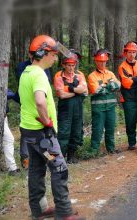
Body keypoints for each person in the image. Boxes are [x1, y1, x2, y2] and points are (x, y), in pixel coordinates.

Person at [18, 35, 84, 219]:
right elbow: (40, 101)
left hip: (29, 134)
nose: (55, 58)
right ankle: (64, 212)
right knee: (59, 168)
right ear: (42, 53)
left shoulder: (26, 72)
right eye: (53, 54)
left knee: (37, 170)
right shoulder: (39, 74)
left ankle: (38, 210)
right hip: (43, 136)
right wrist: (47, 123)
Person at [15, 53, 52, 169]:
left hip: (42, 112)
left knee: (41, 140)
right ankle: (27, 159)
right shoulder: (23, 68)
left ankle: (46, 160)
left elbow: (47, 85)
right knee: (31, 139)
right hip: (31, 112)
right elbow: (26, 87)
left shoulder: (44, 69)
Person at [53, 51, 87, 164]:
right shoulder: (59, 77)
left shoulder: (79, 75)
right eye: (68, 65)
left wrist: (70, 89)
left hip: (77, 108)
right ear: (64, 65)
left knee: (76, 131)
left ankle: (72, 156)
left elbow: (84, 90)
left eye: (73, 65)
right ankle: (60, 157)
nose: (71, 67)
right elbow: (61, 95)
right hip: (65, 110)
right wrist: (76, 92)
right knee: (63, 132)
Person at [88, 49, 121, 156]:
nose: (102, 63)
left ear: (106, 61)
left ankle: (111, 149)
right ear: (96, 62)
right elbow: (96, 90)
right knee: (97, 130)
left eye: (104, 61)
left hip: (111, 107)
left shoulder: (110, 73)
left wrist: (104, 86)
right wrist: (109, 85)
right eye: (99, 61)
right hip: (98, 108)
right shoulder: (92, 76)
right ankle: (94, 151)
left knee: (110, 129)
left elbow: (118, 85)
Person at [4, 89, 20, 175]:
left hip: (3, 117)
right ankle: (12, 168)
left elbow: (15, 97)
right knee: (9, 139)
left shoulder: (2, 84)